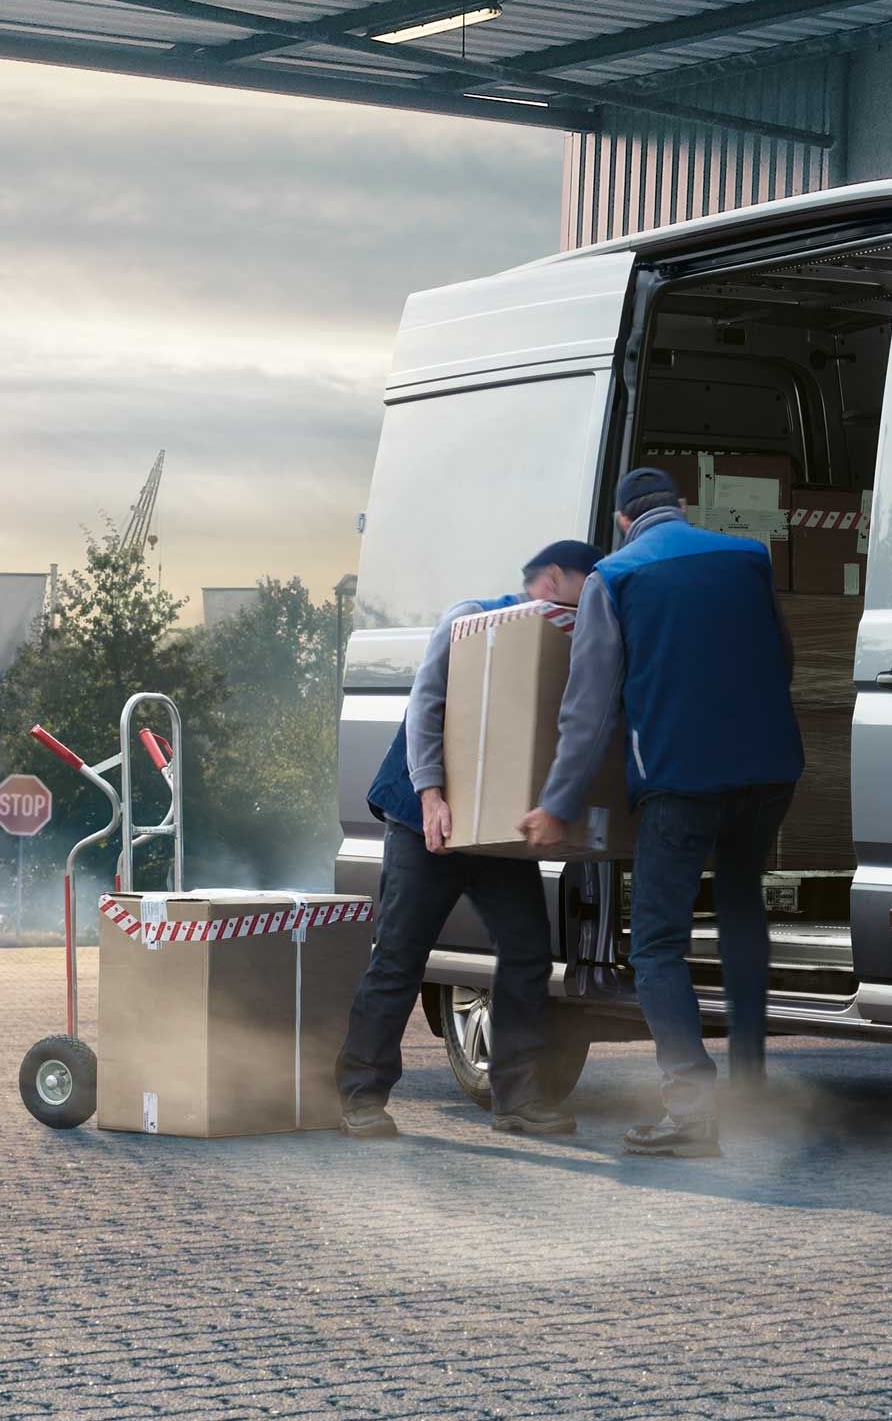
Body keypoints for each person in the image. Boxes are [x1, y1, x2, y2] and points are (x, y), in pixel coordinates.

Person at [526, 464, 798, 1160]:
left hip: (680, 783)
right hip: (769, 773)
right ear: (682, 506)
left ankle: (689, 1112)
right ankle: (752, 1090)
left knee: (655, 945)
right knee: (741, 912)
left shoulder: (613, 579)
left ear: (622, 521)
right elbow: (784, 658)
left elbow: (585, 712)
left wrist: (557, 803)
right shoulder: (747, 557)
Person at [336, 540, 598, 1138]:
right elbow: (426, 707)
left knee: (529, 950)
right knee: (401, 954)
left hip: (495, 829)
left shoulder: (563, 642)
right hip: (427, 819)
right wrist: (431, 796)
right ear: (554, 578)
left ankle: (519, 1098)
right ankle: (360, 1096)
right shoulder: (474, 622)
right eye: (590, 583)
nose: (596, 598)